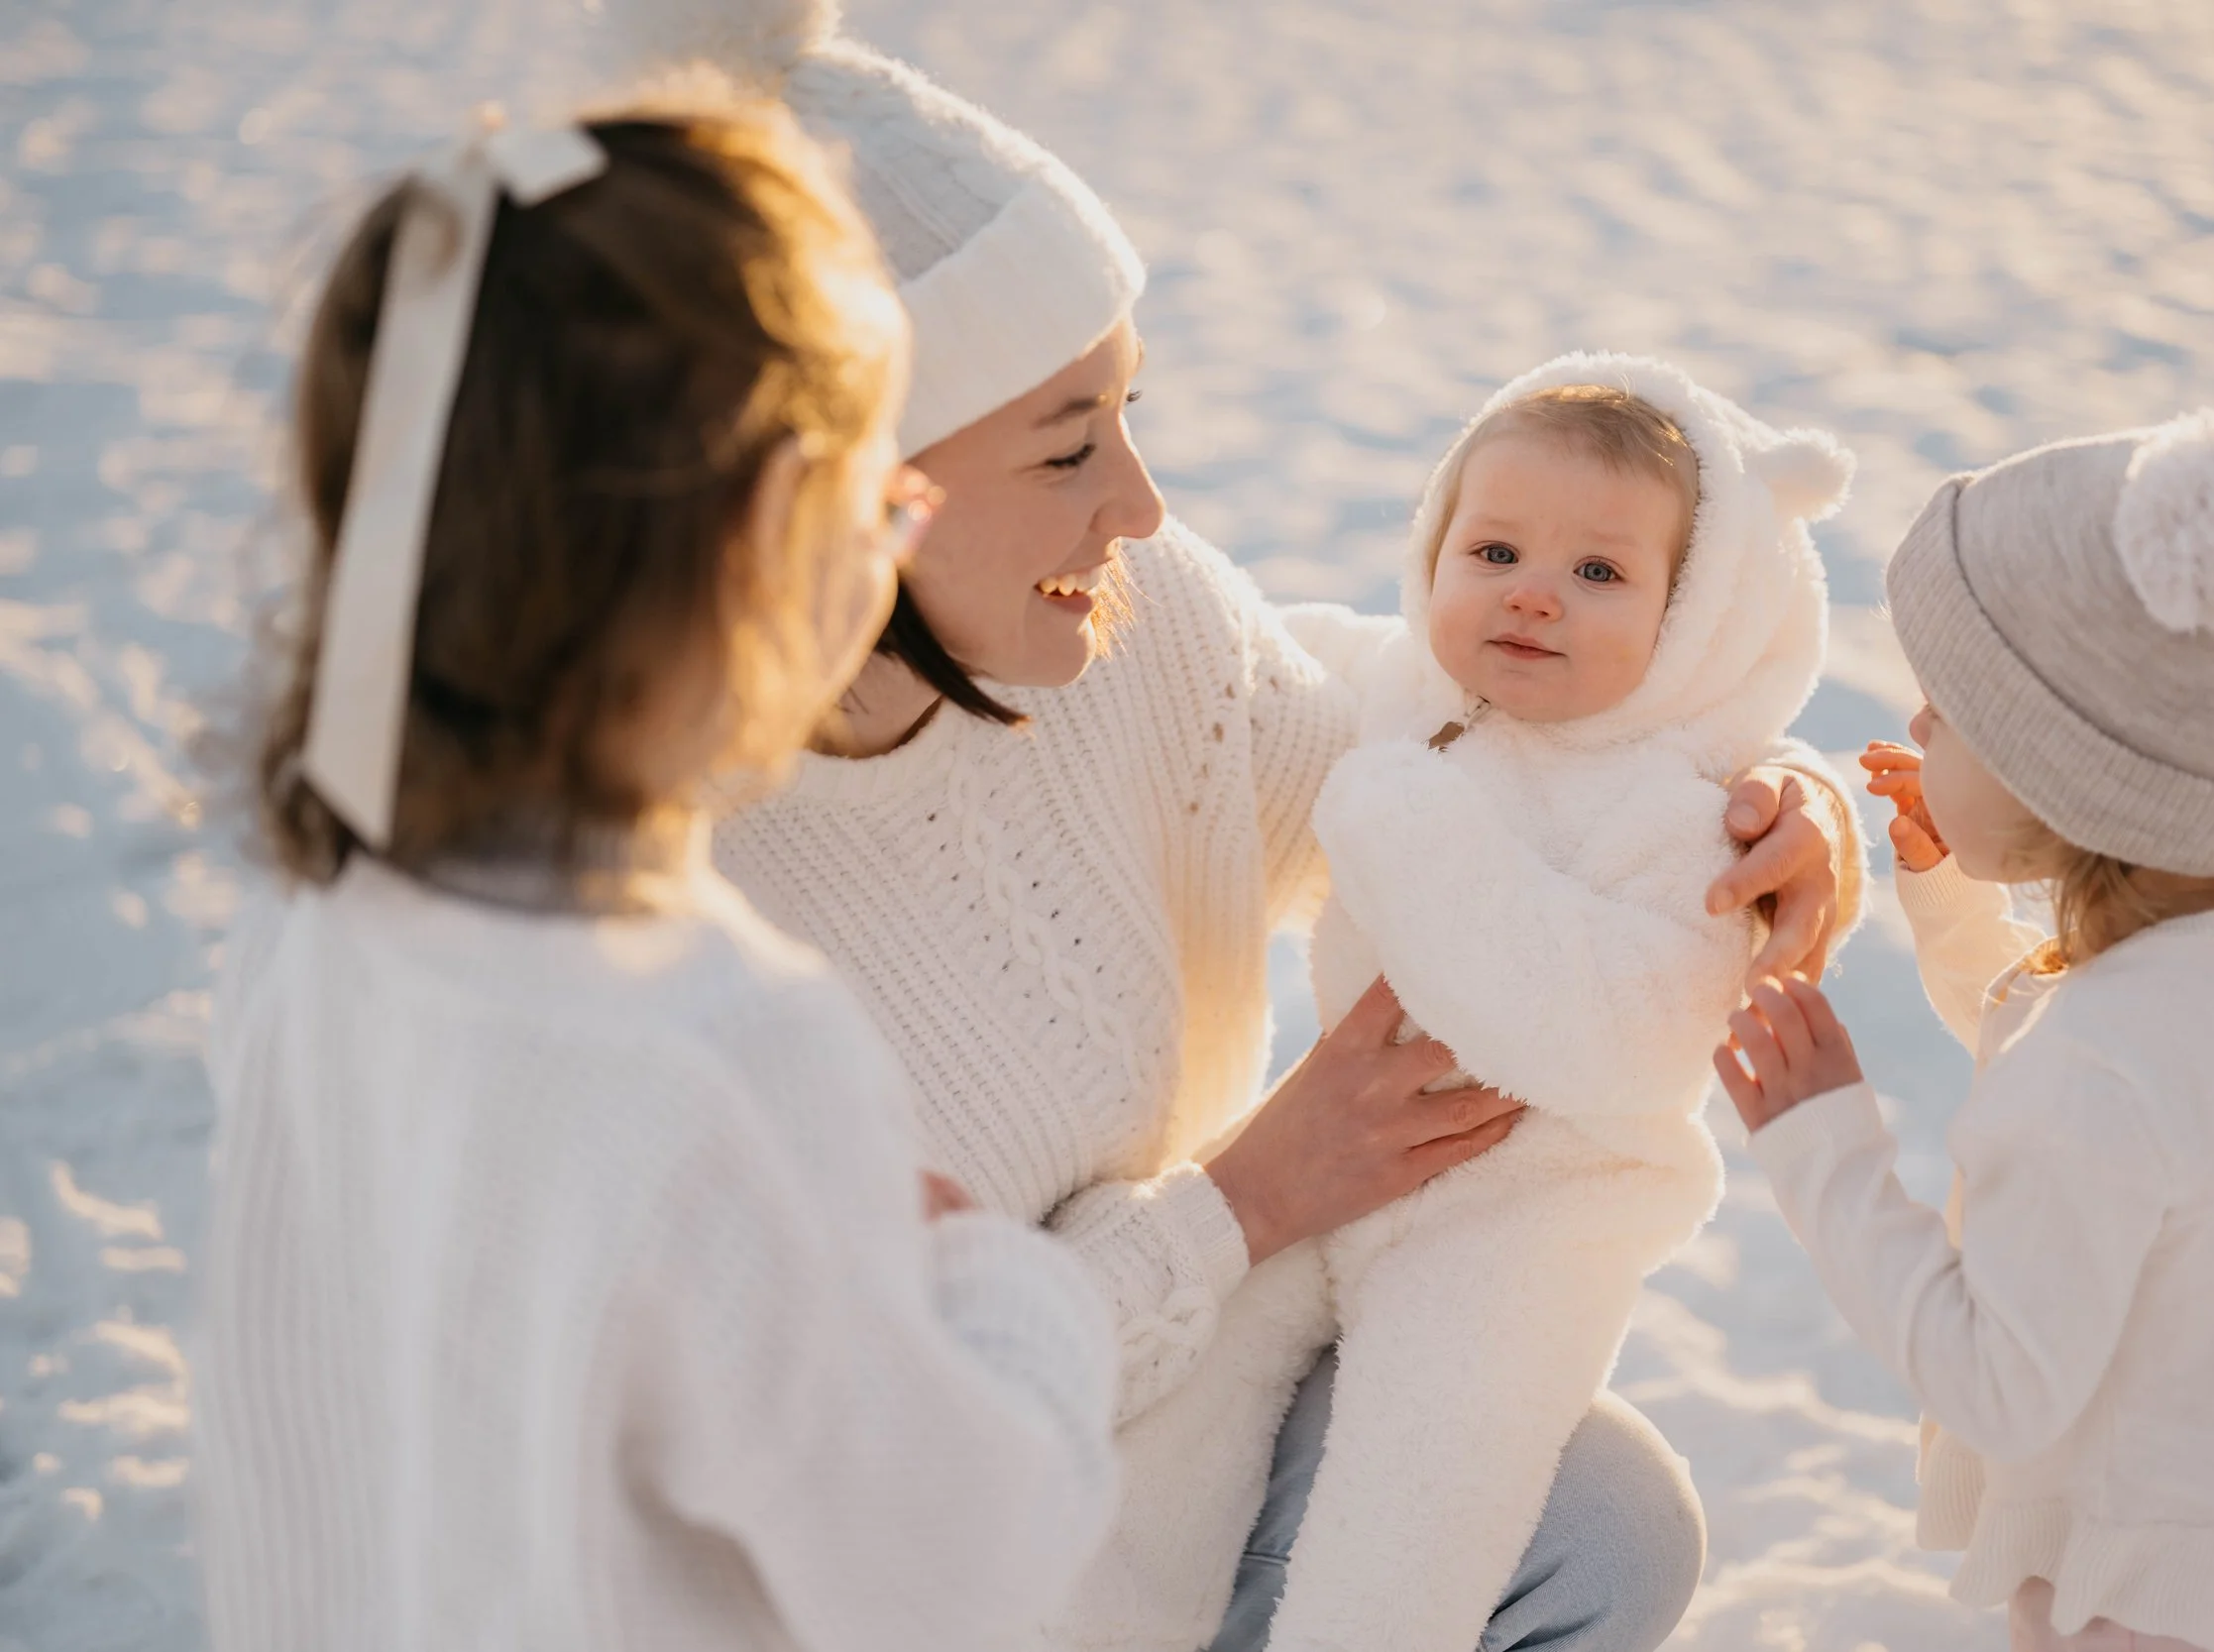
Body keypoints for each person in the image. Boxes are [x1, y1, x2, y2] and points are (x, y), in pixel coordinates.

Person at [605, 7, 1866, 1646]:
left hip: (1183, 1420)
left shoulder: (1135, 626)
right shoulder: (675, 905)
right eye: (1069, 446)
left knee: (1604, 1522)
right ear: (849, 494)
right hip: (912, 1582)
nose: (1138, 500)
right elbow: (878, 1460)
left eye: (1131, 413)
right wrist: (1246, 1198)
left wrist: (1760, 808)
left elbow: (1461, 761)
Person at [194, 101, 1119, 1652]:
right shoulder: (718, 1043)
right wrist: (1001, 1289)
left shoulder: (322, 920)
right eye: (882, 504)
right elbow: (958, 1577)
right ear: (772, 535)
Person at [1715, 332, 2214, 1652]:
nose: (1920, 728)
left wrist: (1825, 1145)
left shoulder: (2102, 1068)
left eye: (1953, 711)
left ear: (2070, 775)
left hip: (2164, 1616)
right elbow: (2095, 1060)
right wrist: (1953, 890)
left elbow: (2002, 1381)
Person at [1107, 355, 1855, 1652]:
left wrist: (1419, 838)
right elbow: (1238, 655)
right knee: (1174, 1420)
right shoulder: (1402, 686)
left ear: (1693, 620)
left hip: (1514, 1226)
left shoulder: (1682, 817)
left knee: (1414, 1517)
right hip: (1327, 1163)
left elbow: (1618, 1031)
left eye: (1600, 573)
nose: (1532, 595)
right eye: (1495, 546)